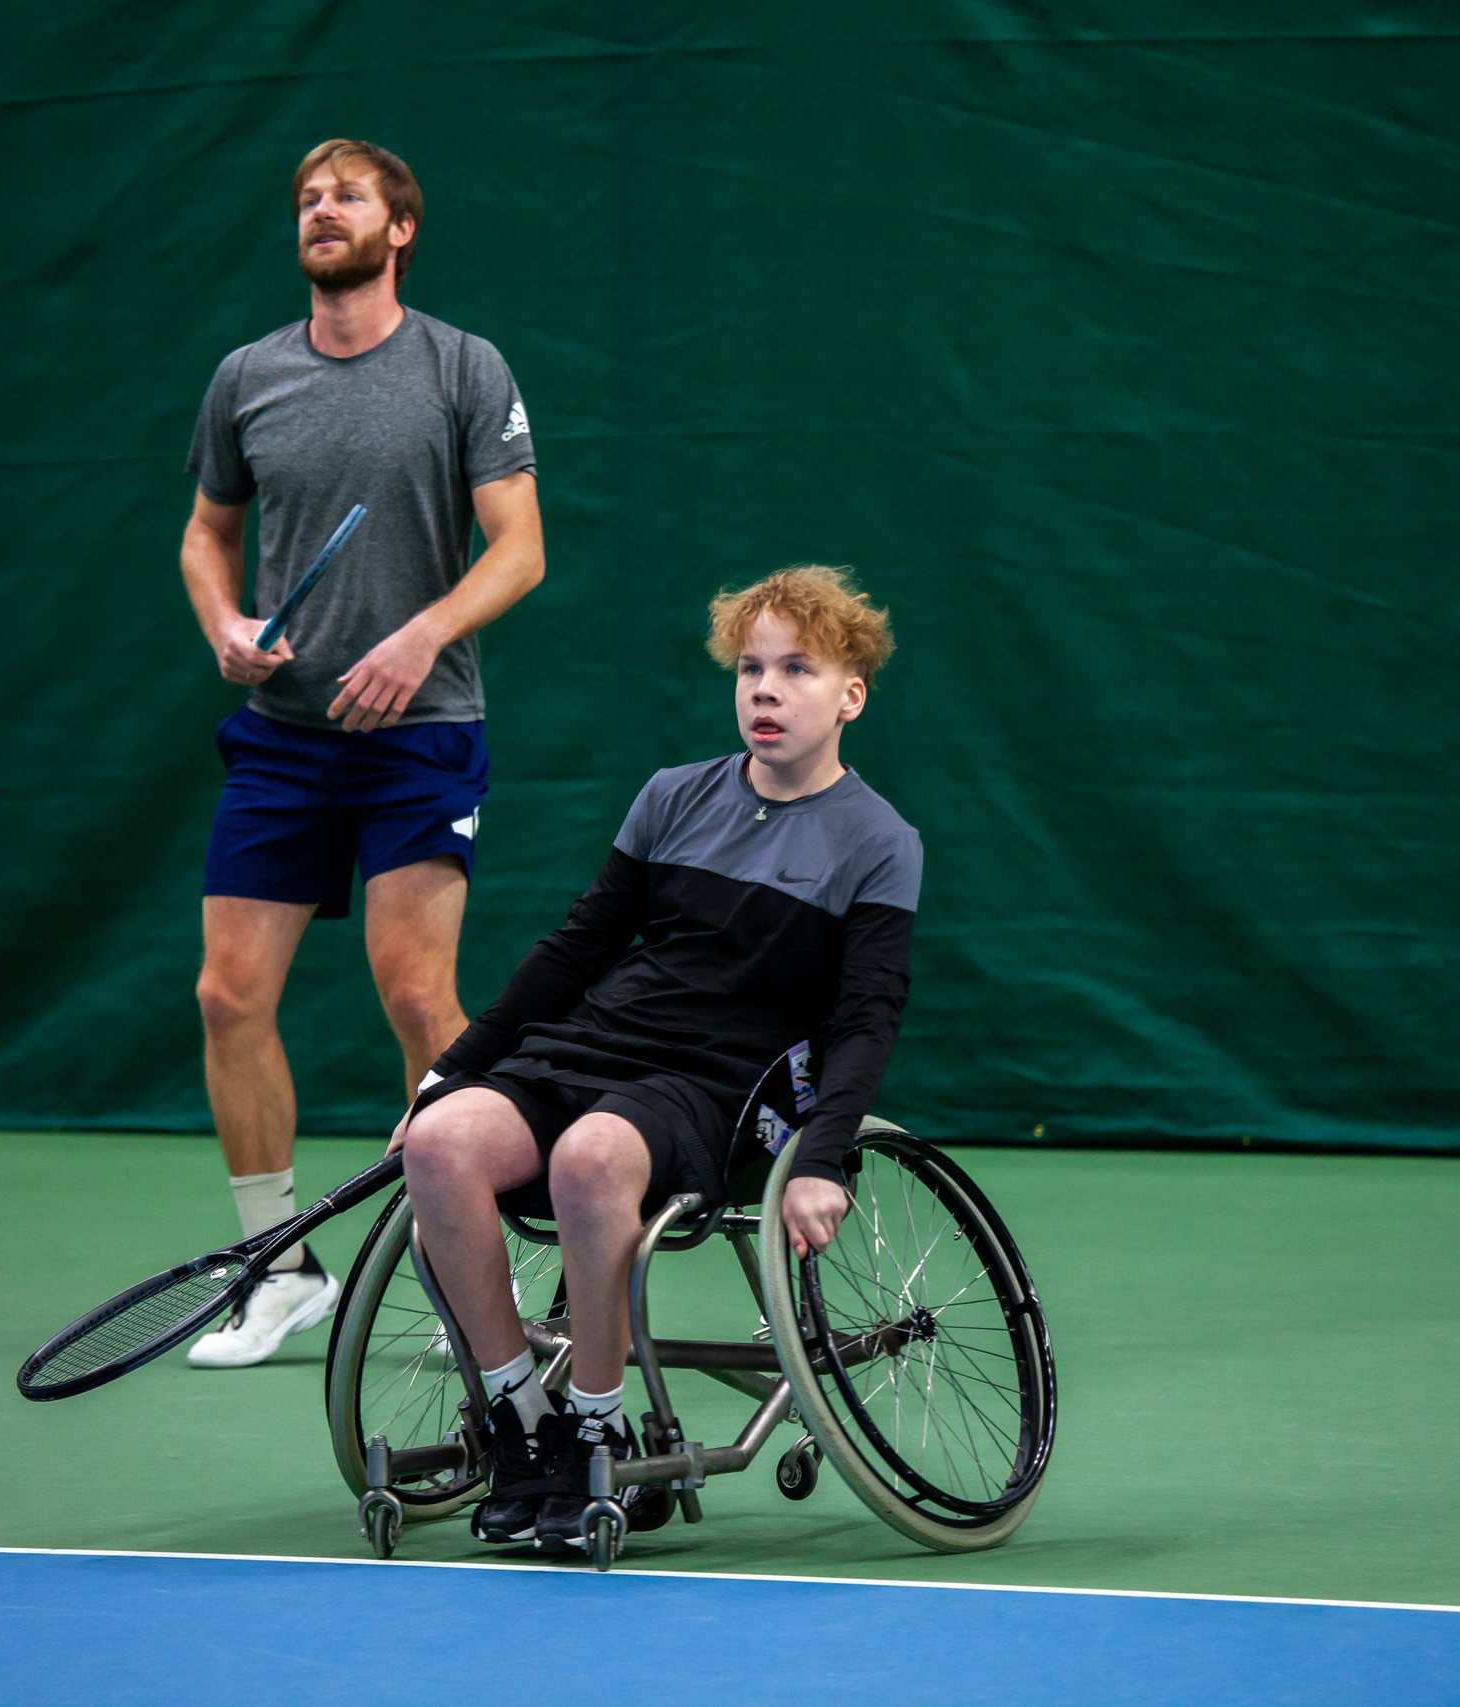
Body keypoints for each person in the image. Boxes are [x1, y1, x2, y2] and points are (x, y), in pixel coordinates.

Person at [392, 566, 920, 1554]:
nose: (763, 689)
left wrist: (819, 1156)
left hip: (724, 1081)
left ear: (849, 695)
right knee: (440, 1144)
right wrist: (453, 1071)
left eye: (795, 669)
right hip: (600, 1042)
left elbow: (866, 1018)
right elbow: (575, 950)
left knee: (589, 1160)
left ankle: (598, 1424)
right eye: (750, 668)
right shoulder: (673, 798)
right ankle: (523, 1427)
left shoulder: (879, 843)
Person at [177, 139, 545, 1369]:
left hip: (422, 733)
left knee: (414, 997)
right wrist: (225, 625)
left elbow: (518, 549)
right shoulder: (247, 377)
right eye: (303, 199)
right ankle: (277, 1269)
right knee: (228, 996)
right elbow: (203, 536)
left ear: (400, 228)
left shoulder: (461, 368)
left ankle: (461, 1271)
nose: (318, 210)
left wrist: (420, 634)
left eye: (343, 196)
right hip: (285, 740)